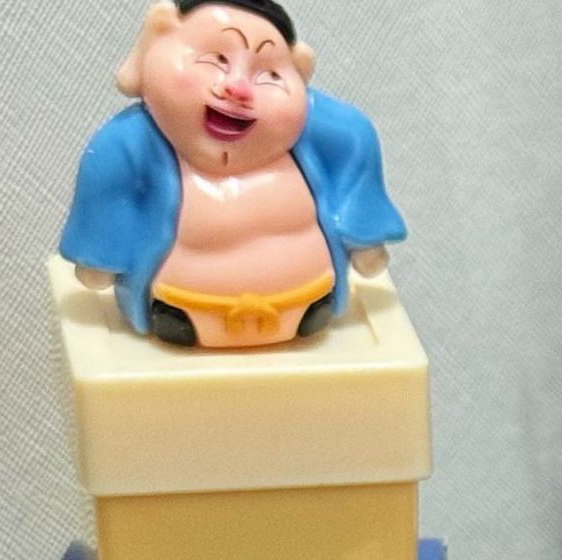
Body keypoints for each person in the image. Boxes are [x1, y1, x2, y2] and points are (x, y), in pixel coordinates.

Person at [60, 1, 405, 347]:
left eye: (270, 75)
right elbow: (107, 190)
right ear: (159, 37)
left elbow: (355, 150)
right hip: (184, 307)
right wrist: (102, 256)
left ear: (299, 74)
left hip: (305, 302)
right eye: (217, 60)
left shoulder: (318, 132)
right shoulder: (134, 141)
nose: (238, 89)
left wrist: (364, 237)